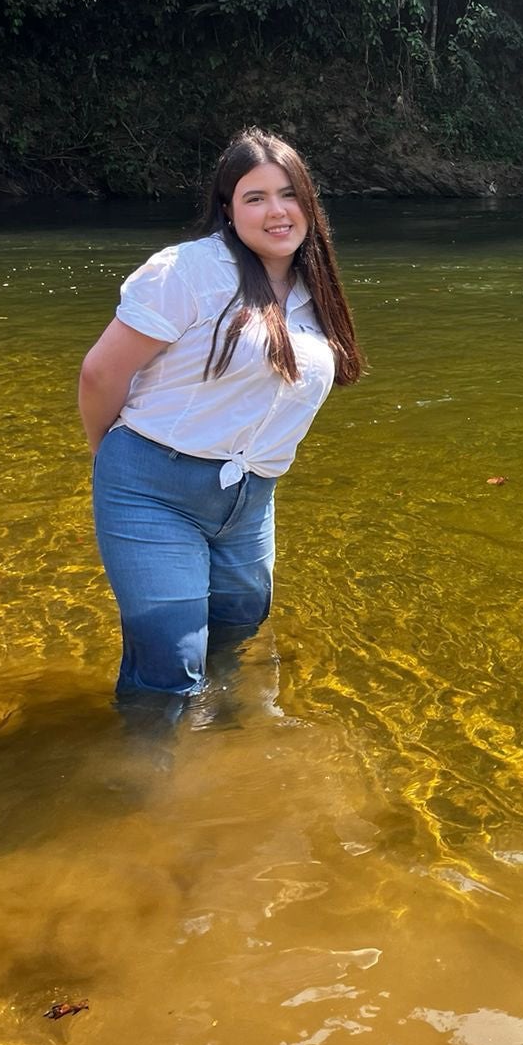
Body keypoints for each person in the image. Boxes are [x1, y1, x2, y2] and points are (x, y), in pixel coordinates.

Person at [78, 127, 365, 701]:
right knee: (170, 669)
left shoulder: (316, 290)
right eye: (254, 198)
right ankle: (144, 780)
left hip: (252, 498)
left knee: (237, 641)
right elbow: (100, 374)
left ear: (309, 203)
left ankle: (232, 768)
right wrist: (115, 463)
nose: (276, 211)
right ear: (228, 211)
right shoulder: (187, 272)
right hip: (153, 490)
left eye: (289, 194)